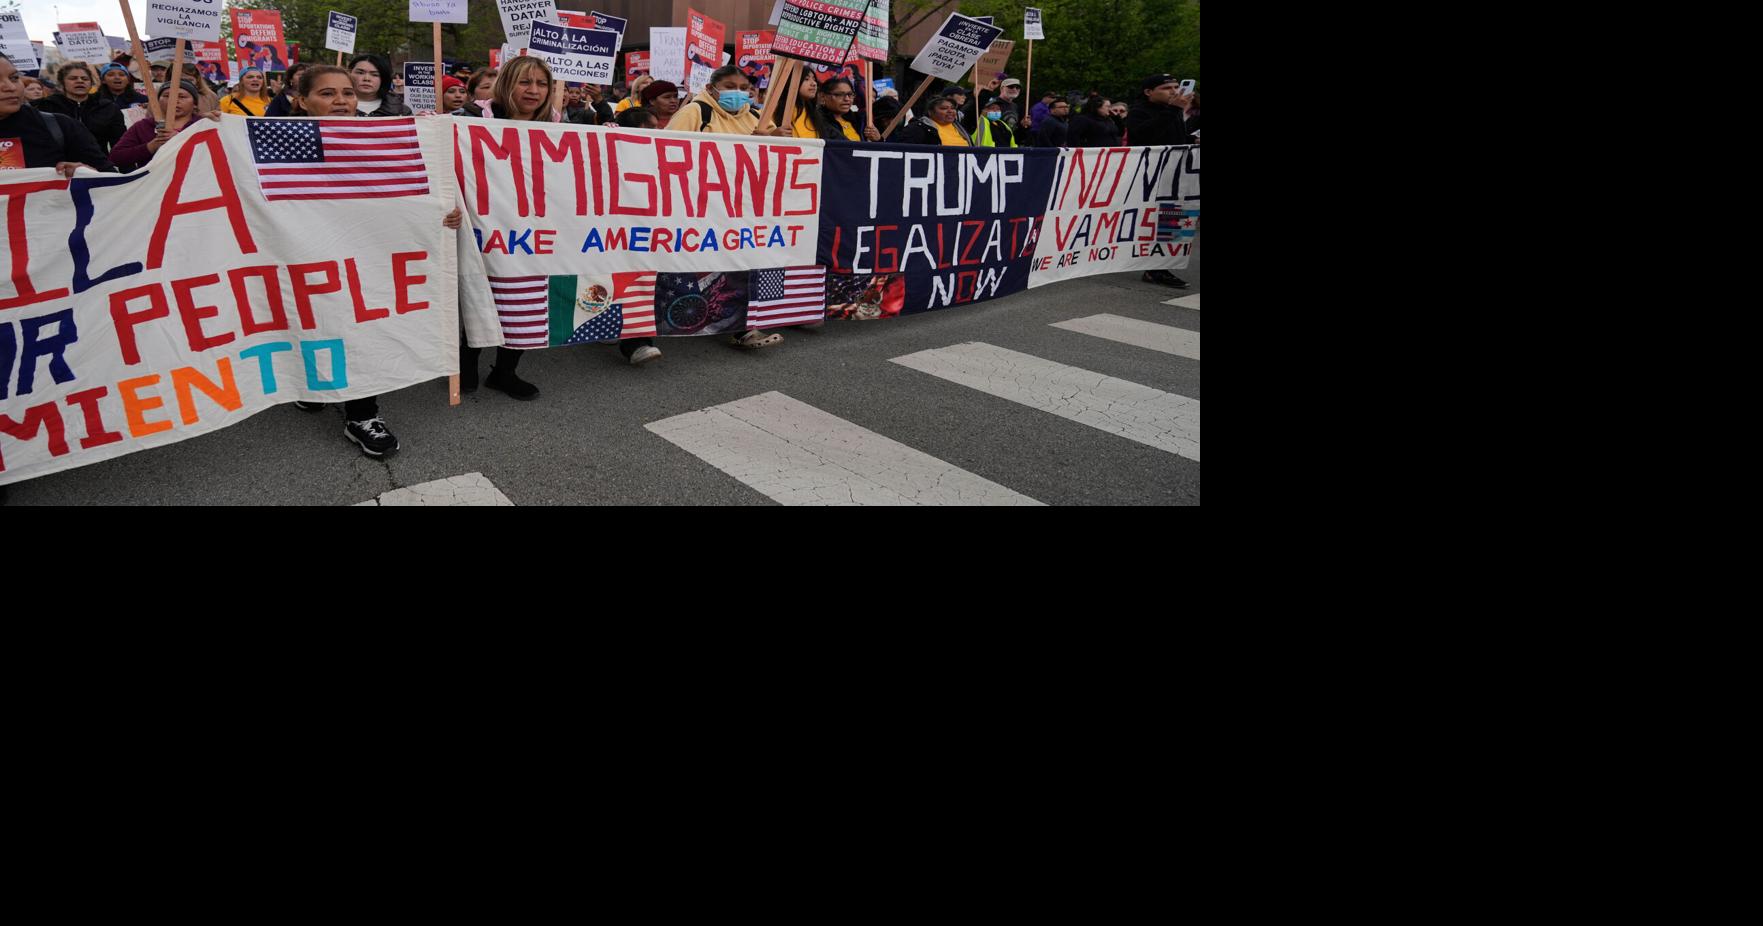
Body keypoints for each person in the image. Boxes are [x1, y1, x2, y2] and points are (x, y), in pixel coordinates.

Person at [279, 64, 464, 456]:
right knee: (317, 321)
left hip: (368, 251)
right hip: (306, 251)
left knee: (364, 326)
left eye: (346, 92)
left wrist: (443, 211)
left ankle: (362, 414)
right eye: (327, 94)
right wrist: (211, 130)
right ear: (302, 101)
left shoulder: (380, 137)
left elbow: (419, 189)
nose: (341, 100)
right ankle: (315, 386)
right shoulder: (281, 138)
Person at [455, 56, 561, 397]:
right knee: (479, 297)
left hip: (534, 229)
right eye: (524, 82)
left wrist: (605, 140)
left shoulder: (560, 126)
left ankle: (504, 372)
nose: (533, 90)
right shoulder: (470, 120)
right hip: (484, 225)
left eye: (541, 83)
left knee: (526, 303)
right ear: (506, 84)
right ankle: (466, 365)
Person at [666, 65, 793, 350]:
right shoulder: (695, 113)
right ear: (712, 89)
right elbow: (668, 151)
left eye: (744, 87)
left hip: (743, 205)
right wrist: (749, 144)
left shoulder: (759, 116)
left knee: (740, 266)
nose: (738, 92)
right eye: (729, 87)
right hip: (700, 204)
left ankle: (741, 326)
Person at [1125, 74, 1193, 289]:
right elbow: (1145, 137)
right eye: (1167, 87)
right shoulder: (1138, 112)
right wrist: (1173, 110)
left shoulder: (1172, 112)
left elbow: (1173, 139)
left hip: (1175, 175)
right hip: (1151, 178)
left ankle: (1161, 266)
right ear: (1149, 92)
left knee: (1172, 221)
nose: (1174, 91)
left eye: (1175, 86)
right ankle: (1155, 268)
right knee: (1153, 222)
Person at [0, 54, 111, 175]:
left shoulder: (61, 126)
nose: (10, 87)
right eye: (73, 78)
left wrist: (90, 174)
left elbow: (114, 182)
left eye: (14, 78)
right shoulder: (47, 104)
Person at [109, 80, 217, 172]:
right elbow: (116, 157)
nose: (174, 101)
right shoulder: (143, 126)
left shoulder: (204, 124)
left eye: (182, 96)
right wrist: (151, 146)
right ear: (158, 101)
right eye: (167, 96)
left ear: (195, 103)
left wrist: (181, 139)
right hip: (155, 188)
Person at [32, 61, 125, 153]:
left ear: (91, 83)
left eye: (85, 79)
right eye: (73, 78)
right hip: (58, 164)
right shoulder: (46, 106)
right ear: (62, 83)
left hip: (97, 164)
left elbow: (120, 144)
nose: (80, 81)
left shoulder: (108, 108)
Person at [792, 76, 880, 141]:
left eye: (850, 94)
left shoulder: (861, 120)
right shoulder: (814, 120)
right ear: (823, 96)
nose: (847, 99)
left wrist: (878, 139)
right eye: (839, 95)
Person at [894, 95, 974, 147]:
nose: (950, 111)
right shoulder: (917, 128)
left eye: (953, 108)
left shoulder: (960, 127)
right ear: (930, 112)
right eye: (944, 108)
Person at [347, 54, 412, 117]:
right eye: (360, 73)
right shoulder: (337, 107)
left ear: (383, 78)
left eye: (375, 75)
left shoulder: (402, 111)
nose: (367, 79)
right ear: (348, 73)